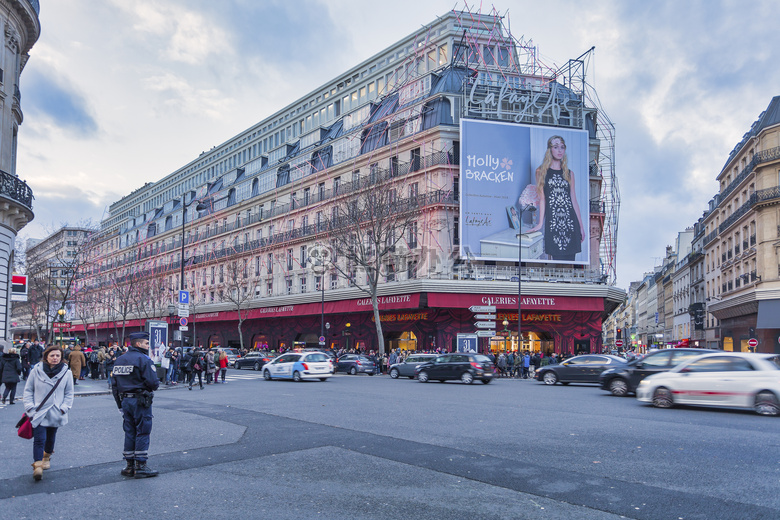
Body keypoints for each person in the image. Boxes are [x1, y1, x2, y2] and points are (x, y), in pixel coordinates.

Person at [526, 135, 586, 261]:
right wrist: (540, 223)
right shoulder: (540, 172)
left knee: (570, 263)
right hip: (553, 223)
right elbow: (542, 199)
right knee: (557, 263)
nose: (560, 150)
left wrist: (581, 226)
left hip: (570, 223)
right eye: (556, 147)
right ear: (550, 150)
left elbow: (573, 200)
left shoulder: (569, 174)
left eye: (562, 147)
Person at [110, 332, 160, 478]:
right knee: (143, 430)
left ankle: (129, 465)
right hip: (140, 400)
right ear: (138, 344)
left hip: (125, 400)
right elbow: (153, 383)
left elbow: (114, 385)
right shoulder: (143, 359)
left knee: (129, 431)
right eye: (146, 343)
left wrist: (120, 404)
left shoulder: (119, 360)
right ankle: (141, 465)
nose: (147, 346)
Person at [23, 344, 74, 481]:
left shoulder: (66, 373)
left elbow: (69, 393)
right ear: (46, 357)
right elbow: (28, 390)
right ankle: (38, 465)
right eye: (52, 355)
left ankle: (47, 457)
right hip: (39, 411)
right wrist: (30, 408)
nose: (55, 358)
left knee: (51, 438)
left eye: (58, 355)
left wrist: (64, 407)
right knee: (39, 439)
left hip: (56, 411)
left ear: (61, 357)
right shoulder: (36, 371)